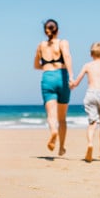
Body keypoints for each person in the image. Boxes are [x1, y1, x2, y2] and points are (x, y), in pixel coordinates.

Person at [34, 19, 75, 156]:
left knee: (51, 115)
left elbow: (36, 65)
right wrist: (71, 76)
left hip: (47, 78)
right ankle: (62, 147)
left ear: (46, 31)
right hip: (62, 77)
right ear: (57, 30)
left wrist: (46, 67)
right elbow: (67, 57)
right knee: (62, 118)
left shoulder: (41, 45)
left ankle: (53, 131)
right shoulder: (63, 43)